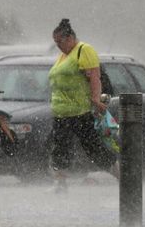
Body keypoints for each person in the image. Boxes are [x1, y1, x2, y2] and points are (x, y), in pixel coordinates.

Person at [47, 18, 118, 193]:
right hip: (62, 112)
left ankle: (121, 175)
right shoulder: (64, 56)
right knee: (60, 148)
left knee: (93, 147)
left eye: (60, 41)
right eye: (55, 42)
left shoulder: (83, 50)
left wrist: (96, 99)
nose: (58, 46)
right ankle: (60, 184)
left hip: (80, 111)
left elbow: (94, 77)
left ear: (70, 38)